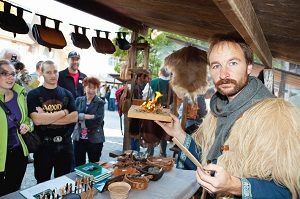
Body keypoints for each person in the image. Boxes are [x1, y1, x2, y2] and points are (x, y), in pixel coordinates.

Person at [156, 33, 300, 198]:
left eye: (233, 63)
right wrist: (178, 134)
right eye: (216, 66)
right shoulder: (216, 112)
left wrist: (234, 186)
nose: (224, 74)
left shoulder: (277, 118)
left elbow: (289, 192)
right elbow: (207, 163)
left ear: (249, 66)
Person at [27, 60, 78, 183]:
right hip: (43, 146)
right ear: (42, 73)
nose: (53, 75)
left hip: (65, 145)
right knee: (42, 182)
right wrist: (64, 112)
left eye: (55, 72)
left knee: (63, 183)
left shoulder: (67, 93)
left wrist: (46, 117)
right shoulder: (34, 94)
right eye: (48, 72)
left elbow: (75, 117)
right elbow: (37, 120)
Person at [0, 60, 33, 196]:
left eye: (13, 74)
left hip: (19, 153)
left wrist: (28, 126)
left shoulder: (20, 95)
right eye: (4, 73)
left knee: (13, 191)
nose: (10, 77)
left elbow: (28, 119)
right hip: (1, 155)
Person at [72, 77, 105, 166]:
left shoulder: (100, 102)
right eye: (89, 87)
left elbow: (98, 120)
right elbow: (73, 115)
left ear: (97, 89)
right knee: (78, 165)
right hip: (79, 138)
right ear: (84, 87)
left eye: (94, 88)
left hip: (95, 139)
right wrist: (89, 116)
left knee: (93, 165)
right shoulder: (78, 100)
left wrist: (81, 116)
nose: (91, 90)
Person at [143, 66, 172, 157]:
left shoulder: (152, 82)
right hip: (167, 112)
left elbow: (145, 95)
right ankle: (163, 154)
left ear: (160, 72)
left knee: (151, 131)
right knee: (164, 133)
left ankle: (149, 153)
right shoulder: (173, 84)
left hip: (153, 112)